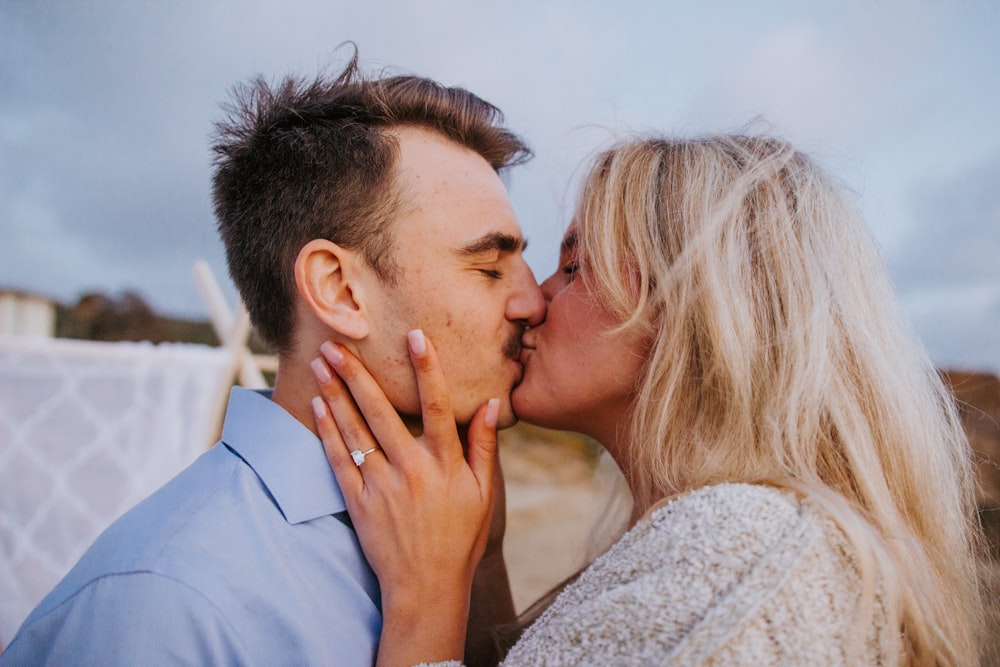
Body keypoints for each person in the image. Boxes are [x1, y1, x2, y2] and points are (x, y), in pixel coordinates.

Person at [311, 133, 985, 665]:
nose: (531, 299)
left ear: (697, 307)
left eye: (575, 267)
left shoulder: (741, 563)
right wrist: (479, 560)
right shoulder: (720, 538)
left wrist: (423, 607)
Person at [0, 51, 544, 665]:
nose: (532, 300)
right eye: (489, 266)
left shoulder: (445, 523)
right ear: (339, 290)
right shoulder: (171, 606)